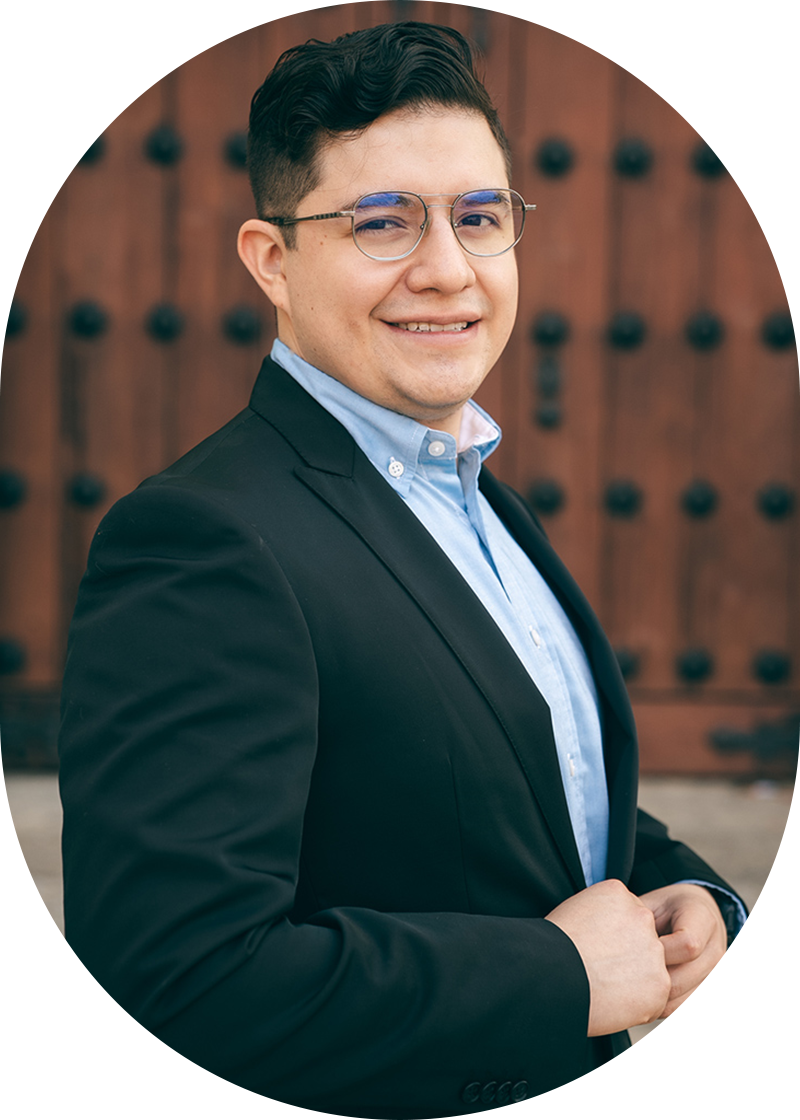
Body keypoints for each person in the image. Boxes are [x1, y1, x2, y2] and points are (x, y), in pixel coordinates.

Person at [58, 22, 748, 1120]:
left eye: (479, 216)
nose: (447, 268)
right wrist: (555, 975)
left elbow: (490, 803)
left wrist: (685, 890)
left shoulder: (478, 499)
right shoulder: (201, 542)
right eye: (382, 221)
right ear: (272, 261)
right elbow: (167, 997)